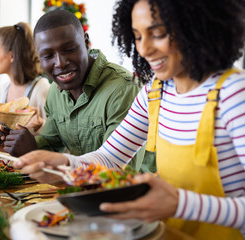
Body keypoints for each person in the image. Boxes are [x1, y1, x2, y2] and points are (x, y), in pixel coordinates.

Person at [13, 0, 245, 238]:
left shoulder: (234, 93)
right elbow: (110, 158)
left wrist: (180, 203)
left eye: (157, 34)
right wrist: (62, 164)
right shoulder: (156, 93)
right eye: (137, 36)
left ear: (195, 26)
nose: (144, 49)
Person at [0, 10, 155, 172]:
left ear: (86, 42)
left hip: (133, 196)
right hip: (82, 190)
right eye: (48, 55)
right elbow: (52, 143)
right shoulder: (55, 92)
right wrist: (16, 141)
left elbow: (119, 169)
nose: (60, 63)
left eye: (69, 49)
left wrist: (35, 153)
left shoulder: (122, 89)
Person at [0, 22, 50, 134]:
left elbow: (58, 136)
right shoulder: (3, 90)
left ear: (11, 55)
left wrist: (41, 125)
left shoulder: (41, 88)